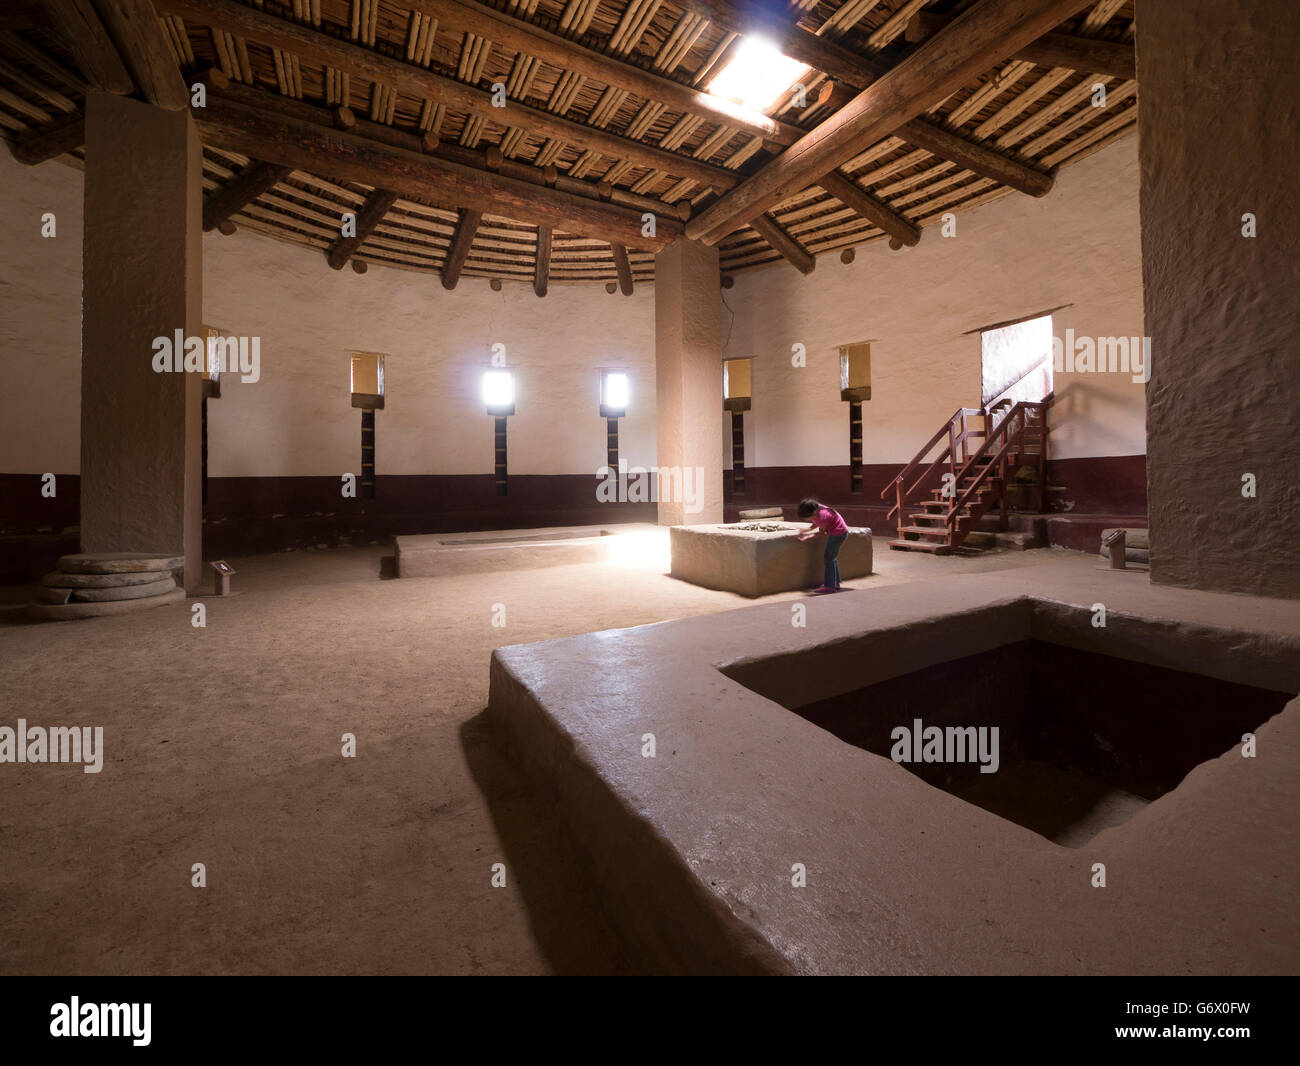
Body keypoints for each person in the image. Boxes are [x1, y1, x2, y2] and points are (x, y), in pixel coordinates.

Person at [796, 498, 849, 592]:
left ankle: (830, 586)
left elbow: (820, 534)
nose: (808, 520)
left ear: (813, 513)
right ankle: (835, 582)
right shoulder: (816, 508)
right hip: (840, 531)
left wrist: (807, 536)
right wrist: (806, 530)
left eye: (807, 518)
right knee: (832, 558)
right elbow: (815, 523)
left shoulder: (823, 517)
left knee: (829, 558)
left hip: (838, 534)